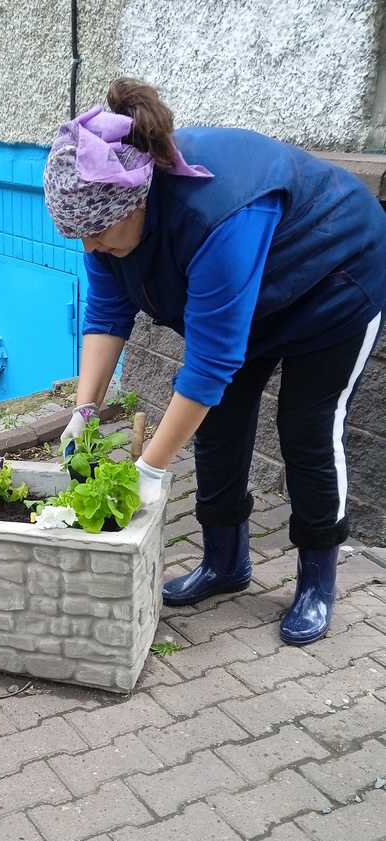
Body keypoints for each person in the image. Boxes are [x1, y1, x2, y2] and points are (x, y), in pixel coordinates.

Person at [44, 78, 386, 646]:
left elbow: (208, 364)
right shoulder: (102, 220)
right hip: (253, 299)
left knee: (306, 429)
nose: (89, 247)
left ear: (139, 201)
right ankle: (226, 563)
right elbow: (107, 314)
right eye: (76, 235)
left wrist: (150, 471)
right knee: (219, 425)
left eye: (97, 233)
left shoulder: (216, 214)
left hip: (336, 284)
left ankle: (317, 579)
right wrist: (83, 410)